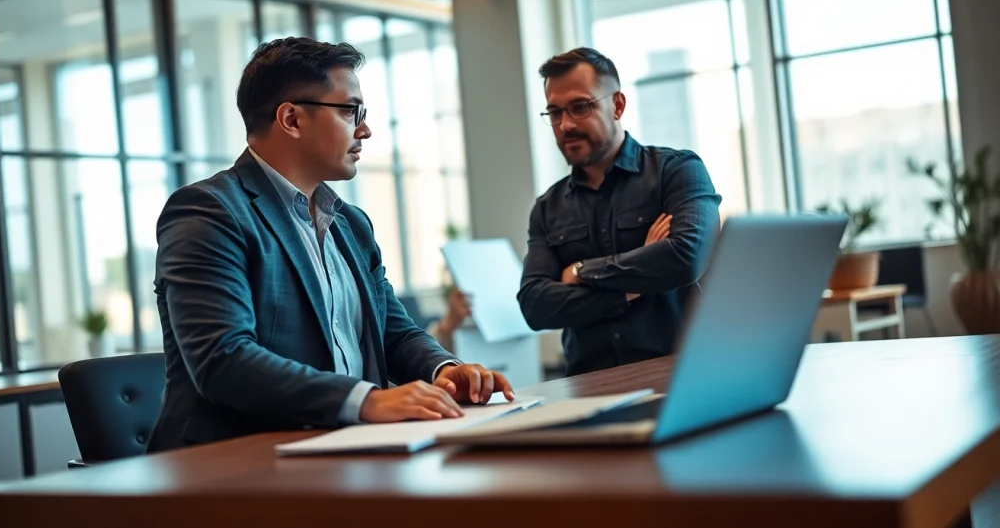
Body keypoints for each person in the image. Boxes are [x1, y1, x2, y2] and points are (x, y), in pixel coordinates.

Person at [147, 38, 513, 453]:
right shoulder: (209, 211)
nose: (365, 129)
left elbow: (393, 332)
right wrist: (366, 401)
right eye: (350, 110)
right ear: (291, 119)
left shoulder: (351, 224)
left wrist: (444, 368)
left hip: (347, 452)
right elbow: (223, 359)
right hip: (232, 465)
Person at [517, 47, 722, 377]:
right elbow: (535, 305)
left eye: (580, 107)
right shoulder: (547, 208)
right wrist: (633, 285)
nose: (565, 124)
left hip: (681, 377)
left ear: (618, 105)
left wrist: (581, 272)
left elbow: (688, 257)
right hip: (587, 389)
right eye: (554, 113)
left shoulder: (678, 171)